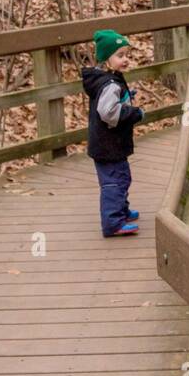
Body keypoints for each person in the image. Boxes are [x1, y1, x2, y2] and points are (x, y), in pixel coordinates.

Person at [81, 30, 144, 237]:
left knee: (122, 177)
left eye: (127, 54)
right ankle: (112, 223)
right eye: (120, 55)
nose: (125, 59)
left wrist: (127, 96)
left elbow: (110, 102)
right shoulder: (110, 84)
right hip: (109, 144)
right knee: (114, 182)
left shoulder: (109, 80)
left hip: (110, 144)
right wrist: (133, 112)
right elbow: (108, 112)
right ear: (106, 60)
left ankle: (121, 211)